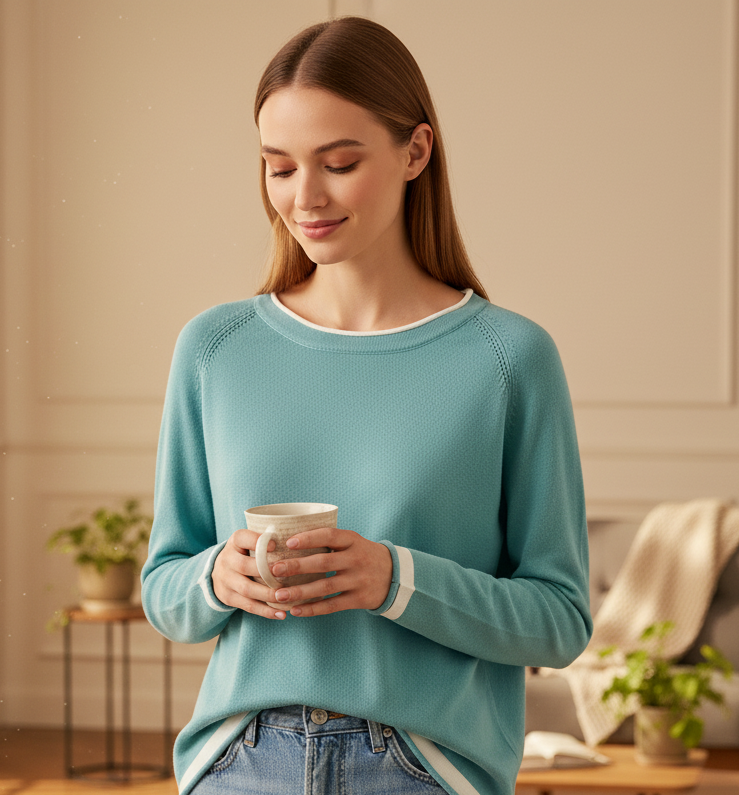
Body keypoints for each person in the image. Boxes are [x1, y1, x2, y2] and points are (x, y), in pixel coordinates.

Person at [141, 15, 592, 795]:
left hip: (423, 767)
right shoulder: (214, 348)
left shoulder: (508, 358)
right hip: (240, 763)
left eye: (339, 162)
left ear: (415, 151)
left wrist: (395, 577)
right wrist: (219, 577)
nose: (303, 196)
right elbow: (163, 590)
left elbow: (557, 620)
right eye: (277, 167)